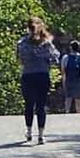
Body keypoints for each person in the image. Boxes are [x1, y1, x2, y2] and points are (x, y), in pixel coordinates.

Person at [16, 16, 59, 144]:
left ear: (27, 28)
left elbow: (19, 59)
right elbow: (55, 59)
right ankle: (40, 135)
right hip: (42, 75)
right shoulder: (47, 44)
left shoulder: (22, 43)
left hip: (28, 75)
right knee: (41, 105)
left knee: (29, 104)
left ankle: (29, 132)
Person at [61, 40, 80, 113]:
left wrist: (63, 82)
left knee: (68, 98)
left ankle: (67, 112)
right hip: (79, 81)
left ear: (71, 48)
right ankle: (78, 114)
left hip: (68, 80)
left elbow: (63, 71)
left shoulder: (65, 58)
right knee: (78, 99)